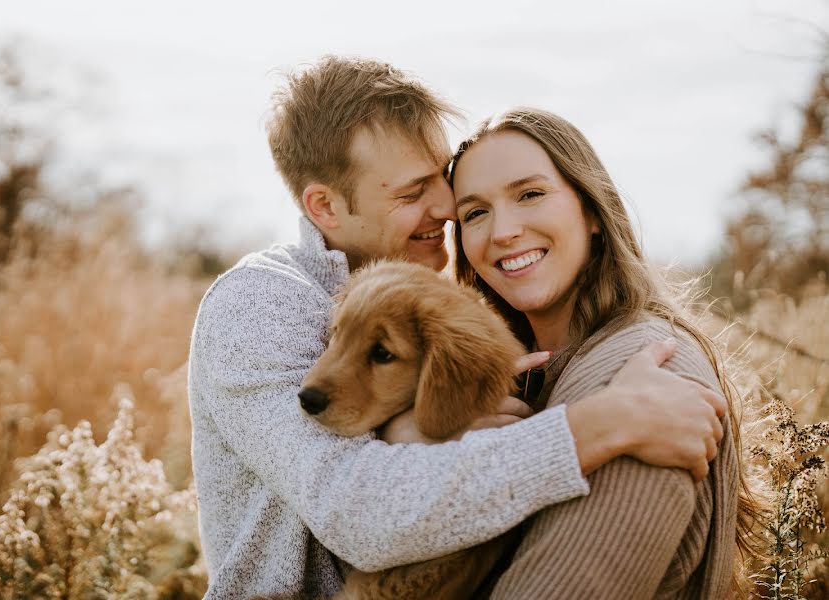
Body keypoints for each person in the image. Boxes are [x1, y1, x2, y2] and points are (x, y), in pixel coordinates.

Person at [186, 56, 727, 599]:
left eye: (440, 179)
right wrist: (595, 426)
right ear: (325, 206)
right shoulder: (260, 302)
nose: (446, 207)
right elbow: (358, 513)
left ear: (592, 207)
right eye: (411, 192)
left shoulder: (638, 362)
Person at [450, 107, 757, 598]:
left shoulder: (647, 377)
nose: (502, 231)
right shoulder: (529, 375)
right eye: (474, 213)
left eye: (530, 194)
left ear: (591, 211)